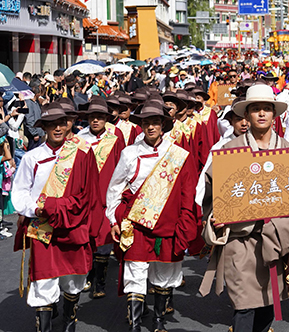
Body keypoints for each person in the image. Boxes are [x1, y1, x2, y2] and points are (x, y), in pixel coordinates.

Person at [200, 84, 289, 332]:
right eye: (255, 109)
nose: (261, 114)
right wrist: (215, 220)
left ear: (274, 114)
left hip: (276, 244)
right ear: (247, 115)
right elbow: (210, 199)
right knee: (244, 306)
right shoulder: (228, 152)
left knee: (266, 307)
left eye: (266, 109)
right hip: (240, 243)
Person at [106, 100, 197, 332]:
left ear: (163, 125)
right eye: (147, 122)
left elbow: (188, 193)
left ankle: (158, 321)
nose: (151, 127)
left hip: (168, 224)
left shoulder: (178, 154)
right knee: (135, 272)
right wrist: (113, 220)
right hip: (136, 223)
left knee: (164, 272)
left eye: (156, 122)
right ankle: (135, 325)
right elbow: (115, 188)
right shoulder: (130, 153)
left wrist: (185, 222)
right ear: (142, 125)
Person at [12, 102, 99, 332]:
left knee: (73, 280)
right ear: (44, 128)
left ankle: (69, 324)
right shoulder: (32, 158)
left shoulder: (81, 154)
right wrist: (36, 209)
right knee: (44, 281)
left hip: (73, 226)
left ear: (68, 124)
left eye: (61, 123)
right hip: (43, 228)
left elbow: (88, 192)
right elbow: (20, 192)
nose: (58, 128)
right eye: (52, 125)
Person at [77, 97, 126, 299]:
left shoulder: (115, 139)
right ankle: (87, 275)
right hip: (85, 197)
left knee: (104, 240)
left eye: (99, 117)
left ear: (106, 118)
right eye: (92, 117)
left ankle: (100, 282)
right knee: (86, 237)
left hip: (107, 196)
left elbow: (121, 167)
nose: (95, 121)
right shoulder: (79, 139)